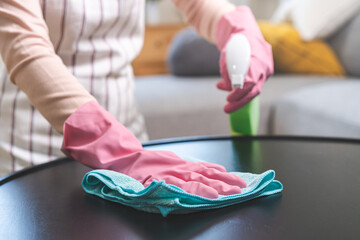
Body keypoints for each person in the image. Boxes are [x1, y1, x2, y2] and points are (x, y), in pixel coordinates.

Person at [0, 0, 273, 198]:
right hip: (31, 149)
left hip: (129, 140)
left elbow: (198, 4)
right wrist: (111, 145)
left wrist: (235, 24)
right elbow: (25, 47)